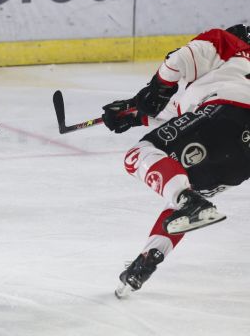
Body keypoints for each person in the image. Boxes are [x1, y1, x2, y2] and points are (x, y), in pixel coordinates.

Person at [101, 24, 250, 296]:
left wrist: (157, 88)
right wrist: (132, 112)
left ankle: (189, 203)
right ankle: (149, 257)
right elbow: (177, 114)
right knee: (183, 192)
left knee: (141, 154)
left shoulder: (229, 44)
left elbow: (179, 59)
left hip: (227, 114)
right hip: (239, 152)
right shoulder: (223, 77)